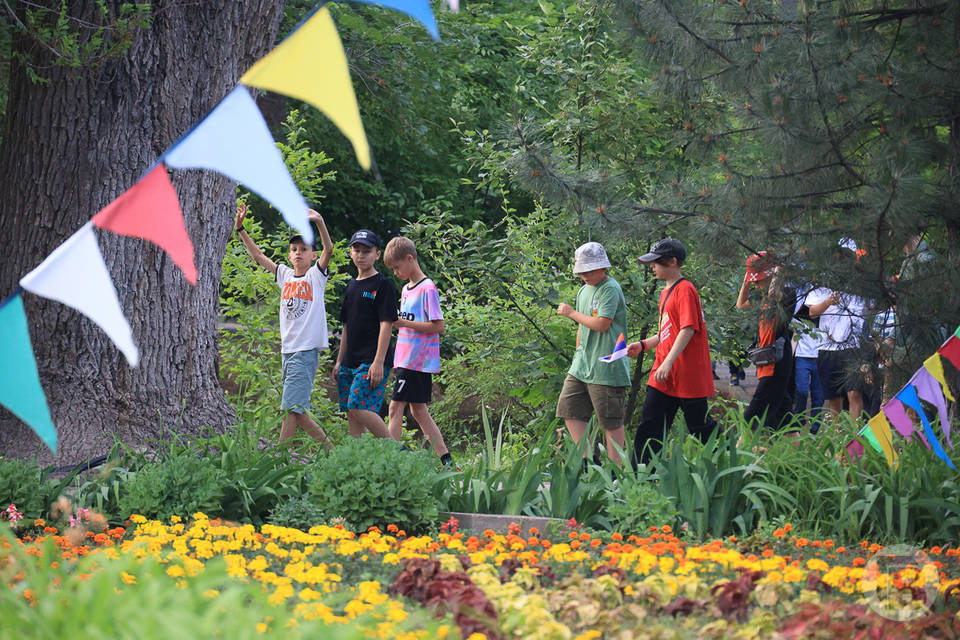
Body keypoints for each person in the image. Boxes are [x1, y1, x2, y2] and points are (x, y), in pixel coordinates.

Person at [234, 203, 334, 448]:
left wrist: (319, 222)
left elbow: (329, 249)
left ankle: (281, 456)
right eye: (294, 249)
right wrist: (240, 229)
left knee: (291, 408)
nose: (298, 252)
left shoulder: (315, 277)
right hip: (287, 351)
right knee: (295, 411)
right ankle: (331, 453)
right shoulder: (285, 275)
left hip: (305, 349)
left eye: (304, 249)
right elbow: (258, 256)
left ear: (312, 255)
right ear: (289, 255)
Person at [627, 238, 715, 464]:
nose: (652, 266)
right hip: (664, 375)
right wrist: (644, 344)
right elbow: (668, 332)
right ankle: (641, 475)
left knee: (700, 427)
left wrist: (668, 362)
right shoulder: (665, 292)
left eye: (657, 262)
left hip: (686, 374)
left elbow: (687, 329)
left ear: (673, 261)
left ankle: (727, 464)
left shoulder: (685, 290)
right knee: (651, 424)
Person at [555, 242, 632, 466]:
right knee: (569, 409)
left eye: (588, 271)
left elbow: (601, 324)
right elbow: (583, 327)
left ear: (602, 268)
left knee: (610, 420)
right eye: (581, 272)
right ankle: (590, 463)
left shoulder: (610, 288)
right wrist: (579, 351)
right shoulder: (584, 290)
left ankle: (616, 470)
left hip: (606, 365)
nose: (584, 276)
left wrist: (571, 313)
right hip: (583, 365)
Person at [382, 236, 454, 466]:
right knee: (419, 410)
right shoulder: (405, 289)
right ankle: (446, 460)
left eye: (397, 266)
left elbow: (438, 326)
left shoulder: (428, 288)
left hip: (417, 360)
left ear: (409, 258)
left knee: (395, 407)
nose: (395, 272)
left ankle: (389, 461)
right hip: (404, 357)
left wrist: (404, 323)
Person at [333, 229, 398, 439]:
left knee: (359, 406)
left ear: (377, 254)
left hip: (372, 360)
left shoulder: (383, 285)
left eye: (366, 251)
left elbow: (386, 324)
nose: (361, 255)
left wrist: (378, 361)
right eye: (356, 250)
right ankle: (357, 461)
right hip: (349, 360)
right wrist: (339, 361)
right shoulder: (351, 286)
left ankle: (398, 451)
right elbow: (346, 327)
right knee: (351, 412)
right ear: (350, 252)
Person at [736, 252, 797, 430]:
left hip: (777, 361)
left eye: (758, 279)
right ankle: (795, 452)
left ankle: (740, 454)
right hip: (766, 360)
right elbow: (741, 304)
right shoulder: (760, 297)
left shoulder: (786, 293)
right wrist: (747, 279)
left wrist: (778, 270)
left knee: (751, 416)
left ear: (771, 275)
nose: (755, 284)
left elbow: (774, 294)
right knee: (785, 417)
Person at [806, 241, 867, 423]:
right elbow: (812, 312)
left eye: (847, 257)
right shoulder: (822, 283)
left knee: (855, 394)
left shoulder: (860, 284)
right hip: (828, 347)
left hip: (853, 347)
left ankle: (856, 441)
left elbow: (868, 312)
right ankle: (838, 442)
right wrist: (828, 302)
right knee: (834, 399)